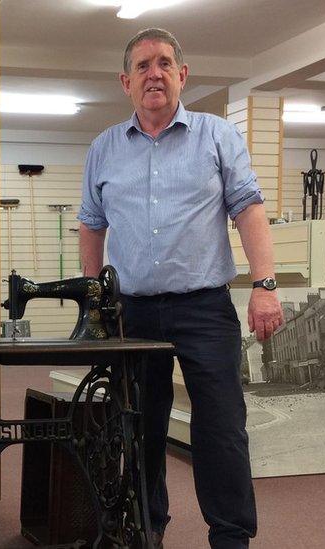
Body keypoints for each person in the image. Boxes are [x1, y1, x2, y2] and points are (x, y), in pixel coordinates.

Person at [78, 28, 284, 549]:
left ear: (182, 75)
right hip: (132, 313)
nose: (155, 73)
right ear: (126, 82)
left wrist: (264, 285)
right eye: (143, 65)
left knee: (220, 429)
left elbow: (249, 210)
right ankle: (147, 530)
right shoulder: (104, 149)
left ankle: (232, 536)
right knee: (139, 428)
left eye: (165, 63)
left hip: (204, 309)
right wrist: (94, 301)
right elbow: (90, 225)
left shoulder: (217, 136)